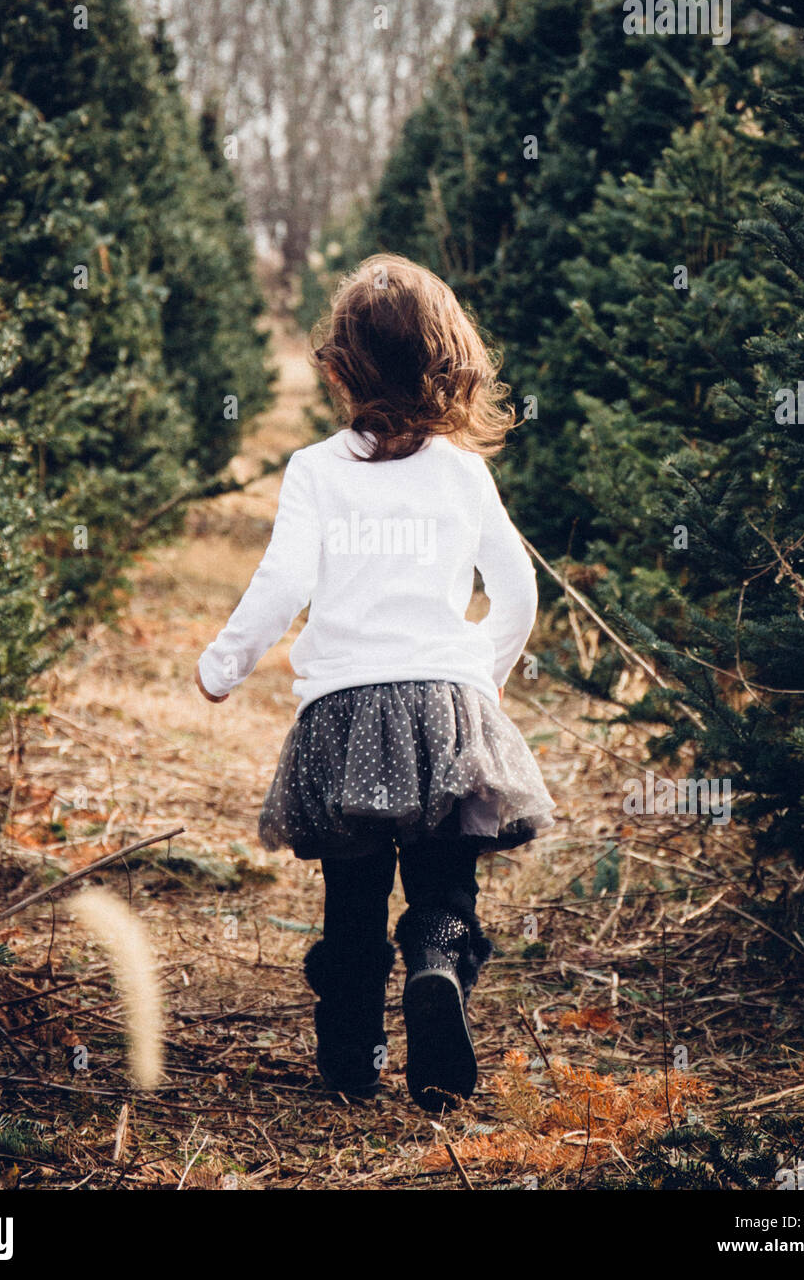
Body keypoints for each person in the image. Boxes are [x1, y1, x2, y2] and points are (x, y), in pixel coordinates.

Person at [195, 254, 555, 1112]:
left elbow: (281, 587)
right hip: (444, 708)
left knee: (351, 897)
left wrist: (223, 664)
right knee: (444, 883)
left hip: (345, 716)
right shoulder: (463, 470)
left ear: (334, 368)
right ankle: (437, 965)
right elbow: (518, 593)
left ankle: (352, 1054)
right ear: (450, 359)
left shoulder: (317, 470)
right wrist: (482, 679)